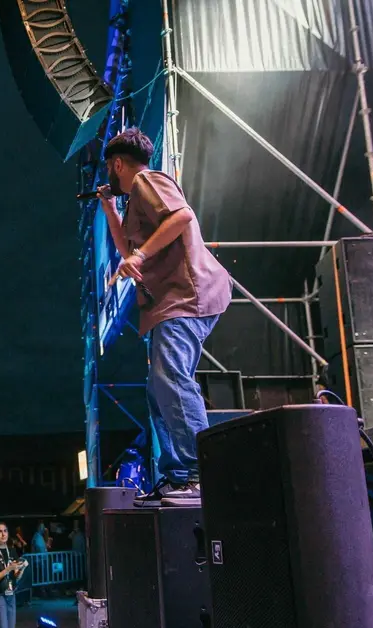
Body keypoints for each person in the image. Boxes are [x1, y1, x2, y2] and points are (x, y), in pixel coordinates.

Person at [99, 127, 231, 505]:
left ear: (118, 164)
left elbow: (182, 217)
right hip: (168, 304)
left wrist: (139, 257)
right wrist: (110, 210)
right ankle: (178, 475)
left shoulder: (146, 180)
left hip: (186, 296)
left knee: (171, 376)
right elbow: (127, 246)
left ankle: (197, 474)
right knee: (158, 388)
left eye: (111, 168)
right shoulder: (135, 199)